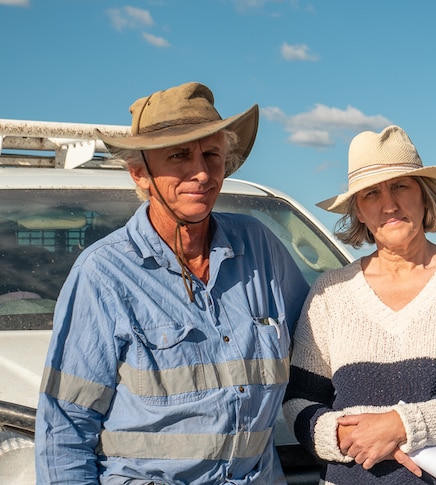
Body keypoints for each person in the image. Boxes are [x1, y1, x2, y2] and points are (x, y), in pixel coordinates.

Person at [35, 82, 309, 484]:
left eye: (212, 154)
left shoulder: (260, 246)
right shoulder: (104, 273)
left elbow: (320, 347)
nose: (201, 172)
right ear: (139, 174)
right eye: (179, 155)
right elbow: (65, 429)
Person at [283, 125, 436, 484]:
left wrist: (399, 427)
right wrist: (347, 436)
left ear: (425, 196)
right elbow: (298, 402)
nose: (388, 204)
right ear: (358, 211)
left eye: (400, 186)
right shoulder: (330, 291)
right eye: (371, 193)